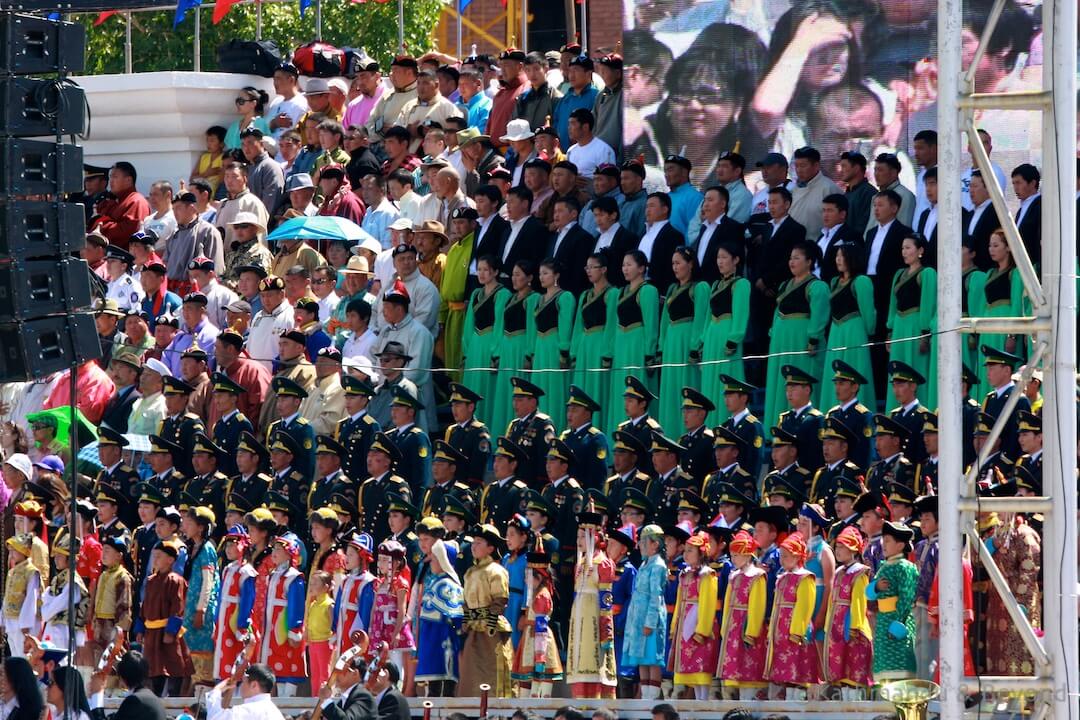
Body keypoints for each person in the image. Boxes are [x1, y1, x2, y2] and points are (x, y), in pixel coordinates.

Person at [762, 244, 829, 433]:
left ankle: (806, 425)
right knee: (781, 381)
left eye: (797, 258)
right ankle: (780, 425)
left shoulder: (817, 286)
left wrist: (813, 339)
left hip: (801, 340)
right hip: (782, 341)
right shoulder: (785, 285)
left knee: (801, 378)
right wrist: (773, 332)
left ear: (809, 262)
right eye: (791, 258)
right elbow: (778, 311)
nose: (792, 262)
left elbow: (819, 315)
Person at [566, 505, 617, 699]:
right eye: (578, 537)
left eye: (582, 537)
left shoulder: (603, 563)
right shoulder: (580, 564)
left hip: (594, 619)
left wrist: (607, 631)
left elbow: (606, 600)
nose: (579, 541)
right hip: (579, 616)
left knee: (594, 659)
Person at [819, 244, 877, 413]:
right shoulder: (834, 282)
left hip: (854, 332)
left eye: (842, 256)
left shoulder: (861, 281)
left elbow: (868, 312)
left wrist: (869, 334)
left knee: (855, 369)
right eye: (837, 256)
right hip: (836, 332)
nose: (838, 259)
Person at [607, 251, 659, 432]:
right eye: (623, 265)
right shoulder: (620, 292)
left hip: (637, 344)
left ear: (642, 268)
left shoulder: (647, 290)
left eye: (629, 264)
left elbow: (651, 324)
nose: (625, 268)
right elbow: (614, 324)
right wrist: (610, 351)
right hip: (622, 346)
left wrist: (649, 353)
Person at [459, 524, 514, 697]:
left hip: (491, 631)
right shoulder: (469, 572)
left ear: (490, 548)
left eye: (479, 542)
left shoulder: (497, 571)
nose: (474, 546)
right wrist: (466, 623)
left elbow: (500, 600)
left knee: (494, 673)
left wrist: (490, 623)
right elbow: (466, 602)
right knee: (470, 675)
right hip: (474, 630)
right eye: (473, 542)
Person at [699, 244, 750, 425]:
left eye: (724, 257)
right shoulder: (716, 284)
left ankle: (726, 421)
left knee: (725, 377)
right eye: (718, 258)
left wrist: (734, 338)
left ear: (735, 260)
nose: (720, 262)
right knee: (710, 380)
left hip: (726, 334)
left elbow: (741, 312)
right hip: (713, 334)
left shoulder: (741, 284)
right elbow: (708, 315)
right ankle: (711, 423)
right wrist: (703, 340)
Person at [658, 247, 709, 432]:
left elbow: (701, 318)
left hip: (686, 340)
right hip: (672, 340)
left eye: (679, 263)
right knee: (671, 387)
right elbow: (664, 320)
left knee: (686, 383)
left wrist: (695, 346)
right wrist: (661, 346)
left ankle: (687, 430)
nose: (675, 267)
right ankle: (670, 430)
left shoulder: (699, 287)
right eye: (673, 263)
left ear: (691, 264)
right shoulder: (672, 288)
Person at [887, 233, 938, 409]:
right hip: (900, 326)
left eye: (908, 247)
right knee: (898, 370)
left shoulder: (927, 273)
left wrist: (925, 334)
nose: (904, 251)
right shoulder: (898, 274)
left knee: (916, 368)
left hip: (915, 326)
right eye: (903, 248)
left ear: (920, 250)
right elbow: (893, 305)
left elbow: (928, 304)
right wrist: (890, 330)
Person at [716, 530, 768, 700]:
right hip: (733, 628)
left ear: (747, 554)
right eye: (732, 555)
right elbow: (727, 605)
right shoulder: (734, 575)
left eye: (736, 555)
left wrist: (751, 632)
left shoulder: (757, 576)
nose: (733, 559)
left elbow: (757, 606)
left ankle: (749, 701)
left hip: (745, 628)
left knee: (748, 668)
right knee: (733, 671)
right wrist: (725, 629)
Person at [489, 262, 539, 438]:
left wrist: (529, 353)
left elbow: (532, 328)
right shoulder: (510, 298)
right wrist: (497, 352)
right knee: (504, 391)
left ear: (530, 278)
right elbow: (500, 326)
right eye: (513, 274)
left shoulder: (533, 299)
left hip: (520, 346)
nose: (514, 278)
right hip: (507, 347)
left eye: (519, 275)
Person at [823, 525, 873, 700]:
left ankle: (855, 704)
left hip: (850, 626)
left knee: (854, 667)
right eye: (837, 546)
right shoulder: (838, 572)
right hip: (836, 627)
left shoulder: (860, 573)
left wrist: (854, 627)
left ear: (853, 549)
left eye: (843, 547)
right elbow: (832, 601)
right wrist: (828, 625)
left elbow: (859, 602)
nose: (838, 550)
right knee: (840, 669)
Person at [570, 252, 618, 431]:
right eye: (587, 267)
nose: (589, 271)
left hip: (599, 344)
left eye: (593, 267)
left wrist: (607, 352)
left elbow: (612, 324)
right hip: (585, 345)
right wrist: (574, 351)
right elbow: (578, 325)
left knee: (598, 387)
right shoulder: (585, 295)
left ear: (604, 270)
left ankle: (598, 428)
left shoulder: (612, 293)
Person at [669, 531, 720, 700]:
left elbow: (708, 603)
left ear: (701, 553)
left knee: (701, 663)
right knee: (689, 666)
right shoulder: (684, 574)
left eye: (691, 550)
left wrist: (702, 630)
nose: (686, 554)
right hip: (684, 622)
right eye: (686, 550)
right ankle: (697, 701)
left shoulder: (707, 575)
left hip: (698, 623)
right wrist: (674, 626)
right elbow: (679, 601)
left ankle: (703, 700)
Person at [867, 521, 919, 682]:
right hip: (883, 619)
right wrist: (876, 587)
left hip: (897, 619)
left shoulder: (905, 567)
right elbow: (869, 594)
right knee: (883, 659)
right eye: (884, 539)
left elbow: (907, 596)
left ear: (900, 545)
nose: (884, 544)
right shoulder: (884, 566)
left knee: (900, 657)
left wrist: (898, 622)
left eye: (888, 540)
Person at [461, 256, 510, 423]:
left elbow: (500, 325)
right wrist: (466, 351)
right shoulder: (476, 293)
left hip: (489, 344)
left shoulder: (502, 294)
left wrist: (495, 353)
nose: (481, 274)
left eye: (485, 270)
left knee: (487, 387)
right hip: (475, 344)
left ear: (495, 272)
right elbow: (469, 324)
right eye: (479, 269)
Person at [511, 542, 563, 697]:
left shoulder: (542, 596)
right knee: (527, 679)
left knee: (538, 677)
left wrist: (540, 656)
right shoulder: (535, 594)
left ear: (539, 577)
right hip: (530, 638)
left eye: (529, 576)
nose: (526, 580)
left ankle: (536, 707)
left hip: (538, 642)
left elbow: (540, 626)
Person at [413, 539, 463, 697]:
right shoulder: (436, 582)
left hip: (442, 639)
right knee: (433, 682)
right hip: (431, 637)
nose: (431, 562)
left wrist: (453, 635)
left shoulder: (449, 585)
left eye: (434, 558)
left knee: (443, 679)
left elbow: (455, 617)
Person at [529, 259, 575, 418]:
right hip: (541, 346)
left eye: (546, 273)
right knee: (540, 385)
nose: (541, 277)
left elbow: (565, 325)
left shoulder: (565, 297)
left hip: (554, 345)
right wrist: (533, 351)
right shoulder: (538, 299)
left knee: (554, 386)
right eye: (540, 274)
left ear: (556, 275)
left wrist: (563, 352)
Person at [2, 533, 40, 657]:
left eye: (15, 550)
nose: (11, 554)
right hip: (10, 621)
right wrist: (2, 620)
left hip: (21, 623)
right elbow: (7, 597)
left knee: (23, 656)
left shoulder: (31, 572)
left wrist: (26, 624)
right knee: (14, 654)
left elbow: (31, 599)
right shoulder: (12, 572)